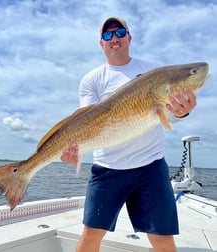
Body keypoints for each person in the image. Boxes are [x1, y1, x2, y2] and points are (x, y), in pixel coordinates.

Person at [61, 17, 197, 252]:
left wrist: (182, 113)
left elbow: (169, 115)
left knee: (163, 238)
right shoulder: (92, 80)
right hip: (108, 169)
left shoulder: (152, 71)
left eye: (120, 32)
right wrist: (76, 148)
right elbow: (88, 122)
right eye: (107, 35)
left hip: (150, 167)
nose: (114, 38)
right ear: (101, 43)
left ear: (129, 37)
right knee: (90, 235)